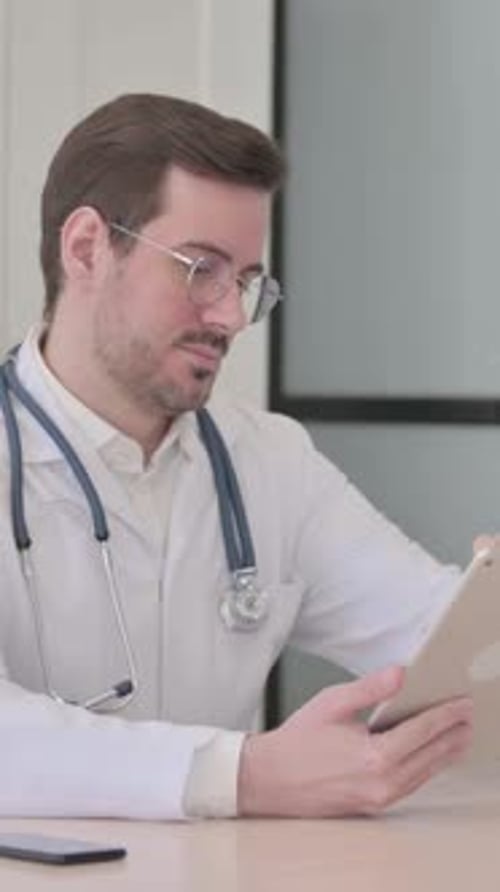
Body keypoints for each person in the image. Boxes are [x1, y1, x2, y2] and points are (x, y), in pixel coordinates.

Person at [0, 93, 472, 821]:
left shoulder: (269, 463)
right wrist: (242, 774)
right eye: (200, 269)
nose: (228, 316)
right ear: (88, 248)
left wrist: (486, 610)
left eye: (247, 281)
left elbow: (441, 641)